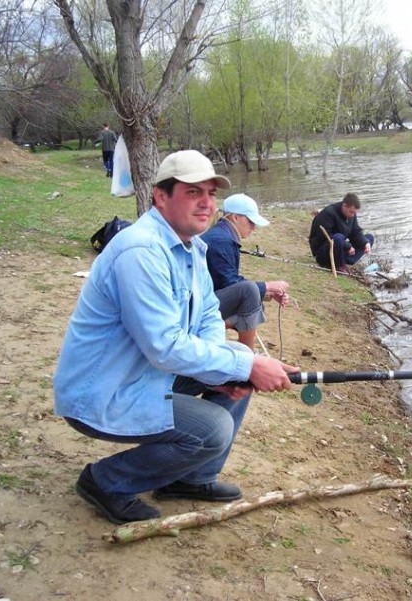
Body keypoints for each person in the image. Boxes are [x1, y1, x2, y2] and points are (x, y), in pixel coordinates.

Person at [53, 149, 298, 525]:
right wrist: (247, 361)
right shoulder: (140, 251)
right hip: (102, 391)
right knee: (214, 427)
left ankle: (190, 478)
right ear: (161, 196)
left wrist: (235, 370)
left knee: (236, 372)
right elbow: (164, 346)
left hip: (145, 372)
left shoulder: (193, 248)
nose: (206, 204)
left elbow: (207, 317)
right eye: (193, 193)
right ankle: (106, 481)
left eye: (211, 194)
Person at [201, 193, 290, 350]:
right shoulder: (221, 240)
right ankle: (248, 358)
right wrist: (267, 286)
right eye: (250, 222)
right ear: (235, 217)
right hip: (201, 305)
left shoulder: (223, 235)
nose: (254, 227)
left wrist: (267, 293)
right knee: (250, 292)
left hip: (207, 299)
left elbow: (229, 282)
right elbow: (230, 284)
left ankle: (213, 331)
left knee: (256, 302)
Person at [308, 192, 375, 274]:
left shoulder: (351, 215)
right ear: (344, 206)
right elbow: (325, 237)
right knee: (338, 237)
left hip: (340, 249)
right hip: (324, 252)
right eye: (351, 212)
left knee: (369, 238)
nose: (353, 215)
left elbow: (355, 232)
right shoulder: (328, 213)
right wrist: (347, 246)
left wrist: (365, 243)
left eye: (355, 212)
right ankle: (340, 265)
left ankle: (344, 261)